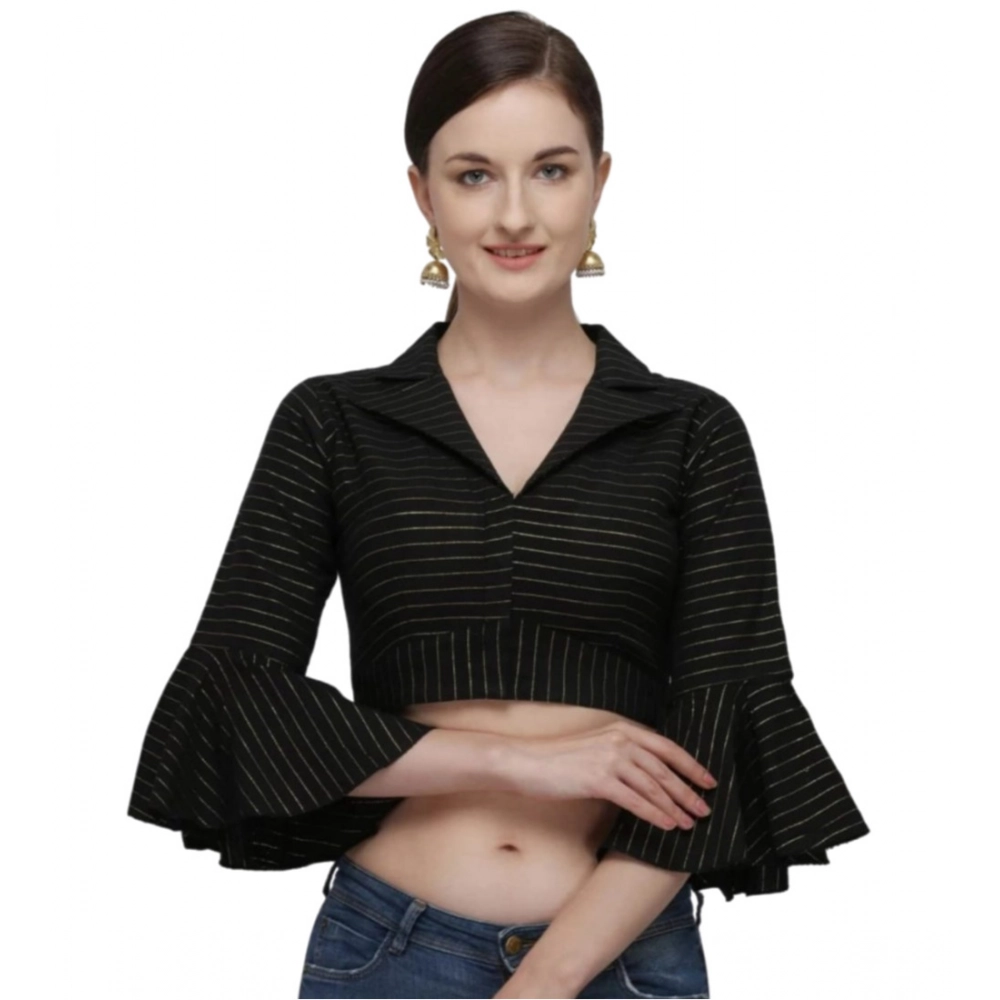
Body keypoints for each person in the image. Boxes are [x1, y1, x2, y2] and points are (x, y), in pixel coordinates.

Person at [125, 12, 870, 999]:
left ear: (599, 182)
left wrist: (545, 981)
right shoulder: (332, 423)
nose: (514, 214)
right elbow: (232, 698)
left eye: (550, 170)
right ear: (422, 194)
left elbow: (721, 741)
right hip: (387, 954)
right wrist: (518, 763)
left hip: (619, 961)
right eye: (474, 174)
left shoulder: (692, 432)